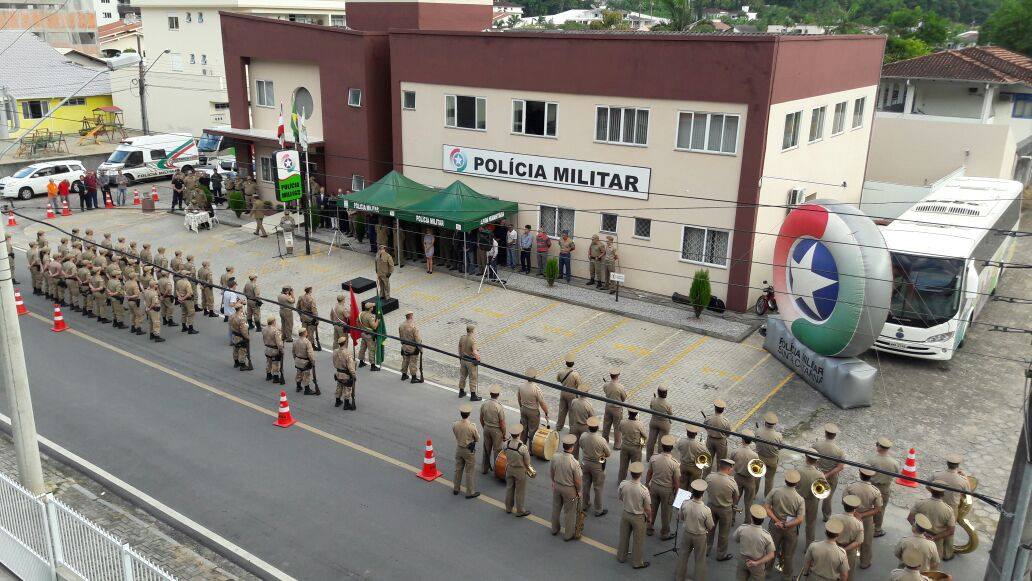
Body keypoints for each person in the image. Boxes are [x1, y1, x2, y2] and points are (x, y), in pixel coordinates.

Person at [764, 469, 806, 580]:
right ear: (797, 483)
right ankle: (786, 576)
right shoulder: (800, 499)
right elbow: (800, 519)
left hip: (774, 526)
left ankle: (767, 571)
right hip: (790, 529)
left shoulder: (775, 491)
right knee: (788, 554)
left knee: (771, 550)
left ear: (785, 480)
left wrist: (777, 521)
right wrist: (786, 525)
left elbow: (767, 508)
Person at [931, 453, 971, 561]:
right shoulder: (962, 480)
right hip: (952, 508)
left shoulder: (936, 475)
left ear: (947, 464)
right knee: (949, 531)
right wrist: (965, 477)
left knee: (934, 526)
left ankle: (932, 549)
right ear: (957, 465)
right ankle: (947, 554)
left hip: (936, 503)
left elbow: (927, 486)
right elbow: (968, 492)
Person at [843, 467, 883, 569]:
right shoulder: (875, 491)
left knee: (848, 538)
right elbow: (878, 509)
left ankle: (845, 560)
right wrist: (862, 515)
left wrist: (855, 512)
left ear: (860, 474)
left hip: (851, 515)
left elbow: (844, 501)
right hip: (866, 518)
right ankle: (864, 562)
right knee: (866, 541)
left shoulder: (851, 486)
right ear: (871, 477)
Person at [676, 479, 714, 581]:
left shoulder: (685, 503)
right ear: (703, 493)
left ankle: (679, 577)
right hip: (700, 536)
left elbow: (681, 517)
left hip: (687, 533)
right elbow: (710, 526)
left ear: (692, 492)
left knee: (683, 555)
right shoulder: (706, 510)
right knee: (700, 559)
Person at [907, 485, 956, 561]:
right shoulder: (948, 510)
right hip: (937, 539)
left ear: (931, 491)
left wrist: (921, 531)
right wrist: (933, 538)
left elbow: (910, 518)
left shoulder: (920, 503)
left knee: (914, 560)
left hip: (919, 535)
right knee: (933, 564)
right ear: (943, 494)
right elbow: (951, 531)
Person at [617, 461, 652, 569]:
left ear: (631, 473)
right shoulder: (643, 490)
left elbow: (620, 497)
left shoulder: (623, 484)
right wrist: (649, 518)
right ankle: (637, 562)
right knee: (638, 541)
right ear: (641, 474)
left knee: (624, 537)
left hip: (626, 514)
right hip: (638, 517)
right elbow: (647, 508)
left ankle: (621, 557)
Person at [646, 434, 680, 539]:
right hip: (666, 490)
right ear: (672, 448)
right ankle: (665, 533)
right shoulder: (675, 464)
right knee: (666, 513)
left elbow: (649, 473)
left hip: (654, 486)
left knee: (652, 508)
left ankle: (649, 527)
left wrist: (647, 484)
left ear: (662, 446)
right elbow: (676, 482)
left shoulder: (654, 458)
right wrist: (676, 493)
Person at [706, 458, 740, 561]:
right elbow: (736, 496)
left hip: (711, 506)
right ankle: (721, 554)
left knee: (709, 529)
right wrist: (733, 504)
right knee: (724, 533)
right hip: (725, 510)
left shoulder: (710, 477)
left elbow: (706, 488)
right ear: (729, 468)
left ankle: (706, 549)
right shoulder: (731, 482)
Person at [866, 438, 900, 538]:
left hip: (871, 486)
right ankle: (877, 529)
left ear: (879, 447)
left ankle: (865, 526)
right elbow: (896, 474)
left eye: (877, 444)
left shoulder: (871, 460)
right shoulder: (894, 462)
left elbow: (864, 472)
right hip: (884, 488)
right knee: (880, 509)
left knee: (867, 506)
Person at [550, 434, 582, 541]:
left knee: (556, 508)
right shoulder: (574, 463)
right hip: (569, 490)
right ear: (572, 448)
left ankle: (554, 529)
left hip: (557, 486)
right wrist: (579, 491)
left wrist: (553, 481)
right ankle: (568, 535)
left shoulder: (555, 457)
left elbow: (552, 471)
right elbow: (577, 481)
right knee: (569, 512)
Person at [733, 504, 776, 580]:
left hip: (743, 560)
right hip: (757, 563)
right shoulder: (766, 536)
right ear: (762, 520)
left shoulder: (742, 528)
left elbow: (735, 539)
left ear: (751, 517)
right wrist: (756, 563)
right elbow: (771, 555)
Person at [814, 423, 846, 522]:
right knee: (828, 498)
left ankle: (812, 513)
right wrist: (827, 474)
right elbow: (840, 467)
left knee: (815, 496)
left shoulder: (816, 445)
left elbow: (812, 460)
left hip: (818, 474)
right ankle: (826, 516)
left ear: (825, 433)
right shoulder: (839, 451)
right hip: (831, 477)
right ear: (835, 435)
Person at [580, 416, 611, 517]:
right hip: (597, 465)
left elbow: (581, 446)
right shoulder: (601, 440)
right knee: (598, 488)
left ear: (588, 427)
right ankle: (598, 509)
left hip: (585, 463)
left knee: (585, 485)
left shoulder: (583, 436)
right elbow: (608, 453)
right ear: (597, 427)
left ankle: (585, 504)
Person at [828, 495, 864, 577]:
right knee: (847, 574)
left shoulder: (833, 517)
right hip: (849, 552)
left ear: (844, 505)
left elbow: (828, 532)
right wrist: (844, 550)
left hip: (833, 547)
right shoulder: (858, 523)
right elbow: (859, 541)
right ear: (855, 508)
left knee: (831, 572)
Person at [503, 424, 532, 517]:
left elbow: (504, 453)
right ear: (520, 434)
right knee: (520, 491)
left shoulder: (505, 444)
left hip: (509, 468)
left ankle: (508, 507)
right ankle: (520, 510)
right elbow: (527, 462)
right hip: (520, 471)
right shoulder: (522, 447)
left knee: (509, 488)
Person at [452, 404, 480, 498]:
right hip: (468, 450)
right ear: (469, 414)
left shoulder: (455, 424)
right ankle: (470, 492)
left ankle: (456, 488)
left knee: (458, 469)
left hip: (459, 448)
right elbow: (477, 438)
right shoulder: (471, 426)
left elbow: (456, 434)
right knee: (469, 471)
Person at [516, 368, 549, 444]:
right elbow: (542, 403)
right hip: (533, 412)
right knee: (533, 431)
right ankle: (531, 449)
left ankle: (522, 445)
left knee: (524, 429)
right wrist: (546, 412)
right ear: (535, 377)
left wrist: (521, 407)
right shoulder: (536, 389)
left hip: (524, 409)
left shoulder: (521, 386)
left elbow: (519, 398)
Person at [479, 385, 507, 475]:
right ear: (498, 394)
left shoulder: (484, 404)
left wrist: (485, 427)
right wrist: (504, 433)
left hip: (487, 428)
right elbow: (502, 423)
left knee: (486, 449)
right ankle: (497, 471)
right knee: (497, 451)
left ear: (490, 394)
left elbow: (481, 418)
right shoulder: (498, 407)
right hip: (496, 430)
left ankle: (484, 469)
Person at [732, 430, 761, 514]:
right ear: (751, 441)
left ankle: (732, 518)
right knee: (749, 502)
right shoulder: (755, 455)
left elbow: (731, 464)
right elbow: (757, 469)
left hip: (737, 477)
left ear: (742, 439)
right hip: (749, 479)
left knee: (735, 500)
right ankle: (747, 521)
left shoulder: (735, 451)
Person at [756, 412, 784, 498]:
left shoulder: (758, 431)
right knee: (769, 480)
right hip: (772, 460)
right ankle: (767, 497)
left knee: (757, 478)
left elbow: (755, 442)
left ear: (765, 422)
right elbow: (780, 447)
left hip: (760, 457)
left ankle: (753, 494)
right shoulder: (778, 436)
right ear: (775, 424)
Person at [618, 409, 647, 483]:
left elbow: (620, 429)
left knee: (623, 467)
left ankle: (621, 482)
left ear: (628, 413)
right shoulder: (639, 424)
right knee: (636, 467)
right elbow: (645, 436)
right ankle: (635, 483)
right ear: (636, 414)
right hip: (635, 448)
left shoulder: (622, 422)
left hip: (624, 446)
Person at [601, 368, 627, 448]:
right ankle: (617, 444)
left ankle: (604, 442)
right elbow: (624, 398)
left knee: (606, 425)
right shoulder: (620, 387)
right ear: (618, 376)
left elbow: (605, 391)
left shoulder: (606, 385)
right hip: (617, 408)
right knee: (617, 427)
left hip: (608, 407)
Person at [646, 386, 673, 460]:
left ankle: (649, 458)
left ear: (658, 392)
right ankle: (660, 460)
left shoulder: (653, 400)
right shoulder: (667, 404)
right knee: (662, 443)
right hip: (664, 423)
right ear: (666, 394)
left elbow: (651, 408)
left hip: (654, 421)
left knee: (651, 441)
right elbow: (670, 414)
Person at [555, 354, 580, 432]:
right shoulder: (575, 374)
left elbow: (558, 380)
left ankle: (559, 426)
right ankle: (572, 429)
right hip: (572, 394)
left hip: (563, 392)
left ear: (566, 363)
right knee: (572, 412)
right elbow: (579, 384)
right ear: (573, 364)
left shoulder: (561, 371)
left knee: (562, 410)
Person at [567, 390, 595, 460]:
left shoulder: (574, 401)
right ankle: (585, 462)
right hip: (584, 427)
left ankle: (574, 460)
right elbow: (592, 417)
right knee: (586, 446)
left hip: (575, 425)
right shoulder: (588, 404)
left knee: (574, 444)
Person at [704, 399, 732, 465]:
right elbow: (728, 433)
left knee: (707, 461)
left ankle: (706, 475)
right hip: (721, 442)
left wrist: (710, 432)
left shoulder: (709, 418)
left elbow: (705, 426)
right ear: (723, 410)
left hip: (710, 440)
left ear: (715, 408)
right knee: (721, 461)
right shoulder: (725, 421)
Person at [333, 336, 357, 410]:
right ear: (345, 342)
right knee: (347, 389)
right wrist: (354, 375)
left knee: (339, 386)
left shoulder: (335, 351)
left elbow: (334, 362)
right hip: (346, 374)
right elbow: (350, 367)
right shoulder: (347, 353)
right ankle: (346, 404)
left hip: (338, 373)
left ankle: (337, 401)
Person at [457, 324, 480, 401]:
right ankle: (473, 395)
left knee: (463, 376)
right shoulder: (473, 340)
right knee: (473, 378)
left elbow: (459, 348)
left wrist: (460, 357)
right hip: (470, 361)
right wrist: (478, 359)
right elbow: (475, 352)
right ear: (472, 331)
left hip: (463, 359)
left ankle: (461, 391)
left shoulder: (462, 338)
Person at [293, 327, 318, 395]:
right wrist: (313, 361)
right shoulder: (307, 342)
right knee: (306, 375)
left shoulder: (295, 341)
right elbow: (310, 354)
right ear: (304, 333)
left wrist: (295, 359)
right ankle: (307, 390)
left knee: (299, 373)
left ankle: (298, 386)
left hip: (298, 360)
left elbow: (293, 352)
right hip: (305, 362)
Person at [398, 311, 422, 383]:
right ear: (411, 316)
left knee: (405, 361)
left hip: (404, 346)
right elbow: (417, 339)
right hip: (412, 347)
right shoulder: (413, 326)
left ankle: (404, 375)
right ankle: (413, 378)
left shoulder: (401, 325)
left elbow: (400, 337)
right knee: (413, 362)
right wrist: (420, 348)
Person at [230, 301, 252, 371]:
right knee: (242, 350)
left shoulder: (231, 316)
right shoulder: (241, 318)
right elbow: (244, 331)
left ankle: (236, 362)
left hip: (234, 335)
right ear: (240, 308)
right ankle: (242, 365)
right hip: (240, 336)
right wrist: (247, 337)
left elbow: (230, 325)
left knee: (235, 348)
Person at [175, 269, 199, 334]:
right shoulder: (187, 283)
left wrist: (180, 297)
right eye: (188, 274)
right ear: (186, 276)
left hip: (182, 299)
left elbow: (176, 290)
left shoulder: (178, 282)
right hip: (188, 300)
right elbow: (189, 293)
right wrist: (183, 298)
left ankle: (184, 327)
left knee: (184, 313)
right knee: (191, 313)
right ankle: (190, 329)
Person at [263, 316, 285, 385]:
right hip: (274, 349)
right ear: (274, 321)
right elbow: (279, 343)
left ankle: (268, 375)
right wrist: (281, 350)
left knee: (268, 361)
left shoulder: (264, 329)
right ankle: (275, 377)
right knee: (275, 363)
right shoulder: (276, 331)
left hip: (267, 348)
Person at [357, 303, 380, 371]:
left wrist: (362, 329)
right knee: (371, 350)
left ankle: (361, 362)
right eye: (372, 307)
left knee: (362, 348)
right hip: (369, 335)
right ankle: (372, 366)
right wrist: (378, 321)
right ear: (370, 308)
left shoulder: (360, 314)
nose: (373, 308)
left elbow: (357, 322)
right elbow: (374, 326)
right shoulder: (370, 317)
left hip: (363, 334)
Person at [298, 286, 321, 350]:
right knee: (310, 333)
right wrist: (317, 320)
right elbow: (314, 311)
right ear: (310, 290)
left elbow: (298, 307)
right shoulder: (311, 299)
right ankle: (310, 346)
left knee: (304, 332)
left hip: (303, 317)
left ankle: (303, 345)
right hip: (310, 318)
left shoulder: (301, 297)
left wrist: (301, 315)